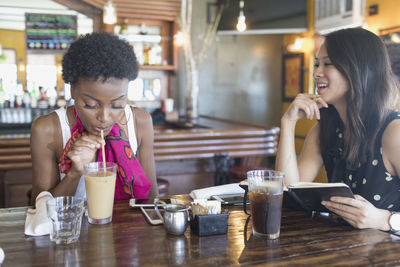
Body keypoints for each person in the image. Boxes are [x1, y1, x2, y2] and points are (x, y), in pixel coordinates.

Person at [276, 28, 400, 231]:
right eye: (317, 64)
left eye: (328, 63)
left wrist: (384, 220)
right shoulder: (323, 131)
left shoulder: (394, 133)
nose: (316, 73)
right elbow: (286, 195)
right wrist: (288, 123)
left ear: (358, 69)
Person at [31, 32, 158, 202]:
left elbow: (151, 199)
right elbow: (40, 208)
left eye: (117, 105)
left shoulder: (140, 122)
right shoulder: (48, 129)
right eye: (91, 104)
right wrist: (75, 173)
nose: (104, 118)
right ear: (72, 91)